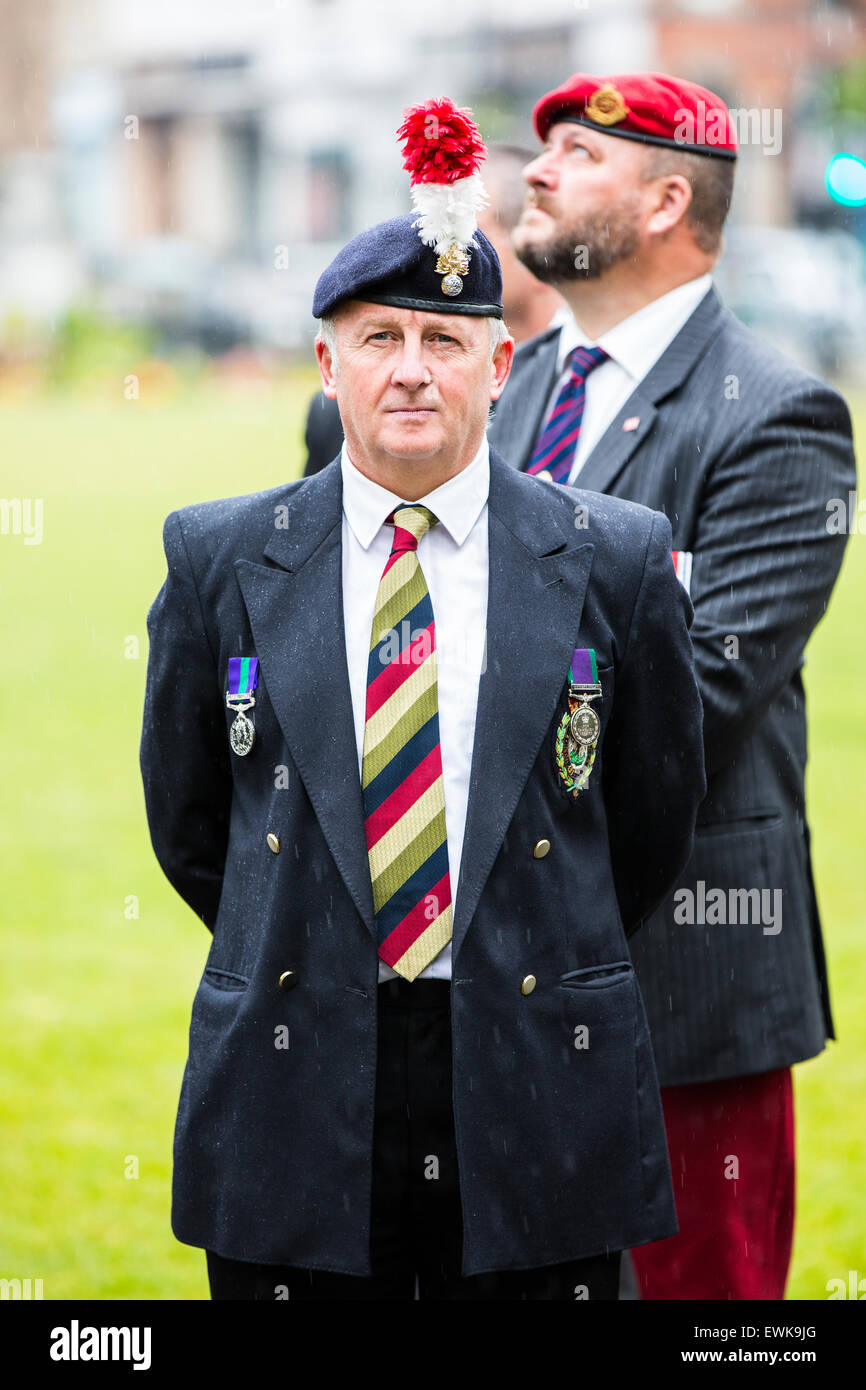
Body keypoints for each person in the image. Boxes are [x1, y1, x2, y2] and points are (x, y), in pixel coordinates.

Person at [139, 97, 707, 1300]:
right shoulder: (221, 557)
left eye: (445, 341)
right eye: (379, 336)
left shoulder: (610, 553)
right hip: (296, 1065)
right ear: (325, 359)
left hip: (535, 1053)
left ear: (499, 365)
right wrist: (317, 928)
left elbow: (648, 823)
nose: (409, 369)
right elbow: (195, 824)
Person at [493, 69, 857, 1300]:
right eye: (538, 150)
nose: (534, 171)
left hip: (685, 974)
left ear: (661, 201)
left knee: (704, 1304)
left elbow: (698, 697)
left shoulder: (775, 416)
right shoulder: (514, 387)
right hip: (504, 963)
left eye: (574, 154)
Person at [302, 143, 565, 478]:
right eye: (381, 336)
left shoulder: (579, 388)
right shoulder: (341, 413)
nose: (438, 243)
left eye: (465, 228)